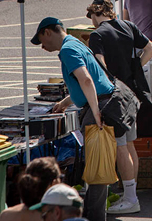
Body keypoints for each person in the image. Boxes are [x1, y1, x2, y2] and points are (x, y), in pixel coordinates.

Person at [34, 18, 117, 220]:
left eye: (41, 41)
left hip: (98, 107)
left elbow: (87, 79)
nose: (43, 47)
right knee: (97, 168)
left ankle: (93, 216)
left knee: (96, 170)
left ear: (47, 32)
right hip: (102, 103)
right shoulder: (74, 42)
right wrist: (65, 102)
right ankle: (93, 213)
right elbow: (86, 82)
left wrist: (96, 112)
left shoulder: (67, 50)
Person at [85, 0, 152, 214]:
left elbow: (100, 66)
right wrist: (135, 68)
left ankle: (131, 198)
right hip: (131, 92)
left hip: (114, 94)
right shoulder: (128, 25)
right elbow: (151, 48)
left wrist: (110, 82)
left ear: (94, 14)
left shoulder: (97, 35)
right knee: (130, 144)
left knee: (120, 146)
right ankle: (130, 192)